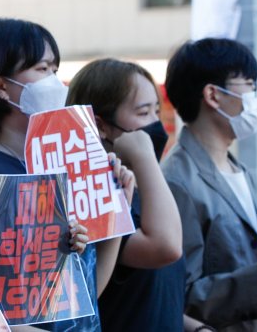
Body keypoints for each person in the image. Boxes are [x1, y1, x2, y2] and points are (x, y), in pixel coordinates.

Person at [0, 17, 134, 331]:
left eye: (55, 70)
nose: (54, 81)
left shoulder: (49, 167)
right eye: (42, 69)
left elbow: (83, 300)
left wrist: (117, 208)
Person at [162, 38, 257, 331]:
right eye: (249, 84)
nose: (256, 96)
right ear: (213, 94)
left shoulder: (237, 168)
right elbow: (178, 297)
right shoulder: (178, 181)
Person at [67, 58, 184, 331]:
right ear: (101, 126)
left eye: (157, 111)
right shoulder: (91, 200)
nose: (155, 124)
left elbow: (160, 297)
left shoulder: (146, 190)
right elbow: (166, 247)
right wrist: (144, 156)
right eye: (143, 113)